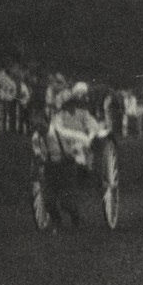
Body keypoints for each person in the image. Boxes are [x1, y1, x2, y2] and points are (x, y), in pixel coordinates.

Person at [40, 82, 109, 227]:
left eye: (70, 104)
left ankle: (82, 168)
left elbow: (92, 127)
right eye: (66, 105)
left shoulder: (83, 114)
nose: (68, 107)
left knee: (80, 150)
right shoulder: (59, 116)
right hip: (62, 146)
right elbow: (54, 131)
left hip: (80, 144)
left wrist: (88, 137)